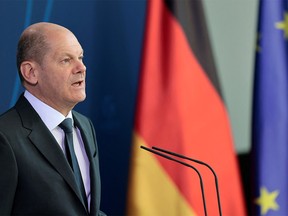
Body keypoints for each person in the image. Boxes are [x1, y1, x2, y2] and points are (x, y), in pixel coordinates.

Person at [0, 22, 106, 215]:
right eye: (66, 60)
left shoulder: (84, 126)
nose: (81, 67)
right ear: (31, 72)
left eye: (80, 57)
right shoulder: (5, 137)